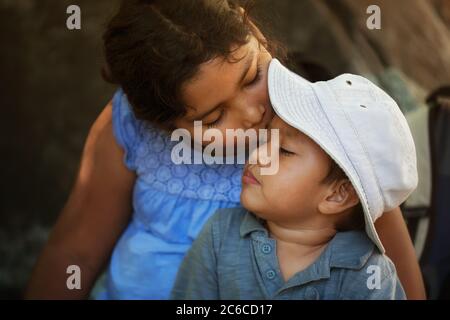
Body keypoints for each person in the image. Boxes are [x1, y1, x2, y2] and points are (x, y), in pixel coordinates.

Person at [26, 0, 426, 299]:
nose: (253, 114)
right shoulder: (130, 126)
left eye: (251, 75)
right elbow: (75, 248)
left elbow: (393, 269)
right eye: (215, 118)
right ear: (162, 125)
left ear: (251, 26)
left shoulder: (328, 121)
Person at [171, 59, 416, 299]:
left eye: (284, 151)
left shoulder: (370, 279)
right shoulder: (221, 235)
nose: (258, 155)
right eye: (265, 139)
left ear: (337, 194)